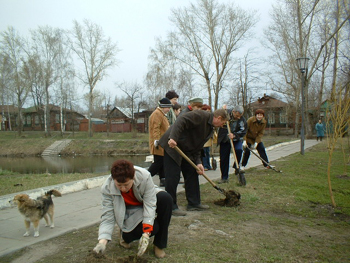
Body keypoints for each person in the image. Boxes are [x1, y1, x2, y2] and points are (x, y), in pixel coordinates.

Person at [92, 159, 173, 259]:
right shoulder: (107, 188)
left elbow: (150, 204)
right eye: (119, 185)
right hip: (129, 211)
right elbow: (107, 217)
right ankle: (124, 236)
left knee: (166, 199)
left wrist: (146, 234)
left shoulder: (144, 176)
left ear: (133, 178)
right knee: (154, 227)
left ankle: (159, 245)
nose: (123, 189)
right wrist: (102, 242)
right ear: (113, 180)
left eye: (126, 185)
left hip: (144, 202)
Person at [159, 109, 228, 216]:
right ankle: (171, 206)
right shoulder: (201, 115)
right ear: (219, 118)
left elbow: (198, 146)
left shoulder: (210, 129)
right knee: (173, 176)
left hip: (187, 149)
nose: (222, 126)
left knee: (192, 172)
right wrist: (173, 138)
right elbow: (181, 120)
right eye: (222, 123)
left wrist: (198, 162)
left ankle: (194, 203)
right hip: (173, 145)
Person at [217, 105, 247, 184]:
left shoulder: (242, 120)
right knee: (224, 158)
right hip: (225, 139)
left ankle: (236, 166)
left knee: (239, 150)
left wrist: (234, 135)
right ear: (233, 112)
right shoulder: (226, 114)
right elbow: (218, 119)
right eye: (237, 116)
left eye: (240, 116)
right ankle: (224, 177)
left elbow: (243, 131)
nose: (238, 117)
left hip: (237, 139)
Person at [148, 98, 172, 187]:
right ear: (163, 107)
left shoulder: (161, 114)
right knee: (158, 162)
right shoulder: (157, 114)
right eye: (168, 107)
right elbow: (156, 128)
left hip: (162, 143)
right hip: (159, 143)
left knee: (162, 162)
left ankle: (163, 179)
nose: (169, 109)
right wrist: (156, 140)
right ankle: (146, 177)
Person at [201, 104, 215, 171]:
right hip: (203, 137)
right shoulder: (202, 118)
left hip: (208, 137)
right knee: (204, 152)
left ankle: (208, 165)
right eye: (207, 110)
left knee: (207, 151)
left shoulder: (210, 118)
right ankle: (205, 165)